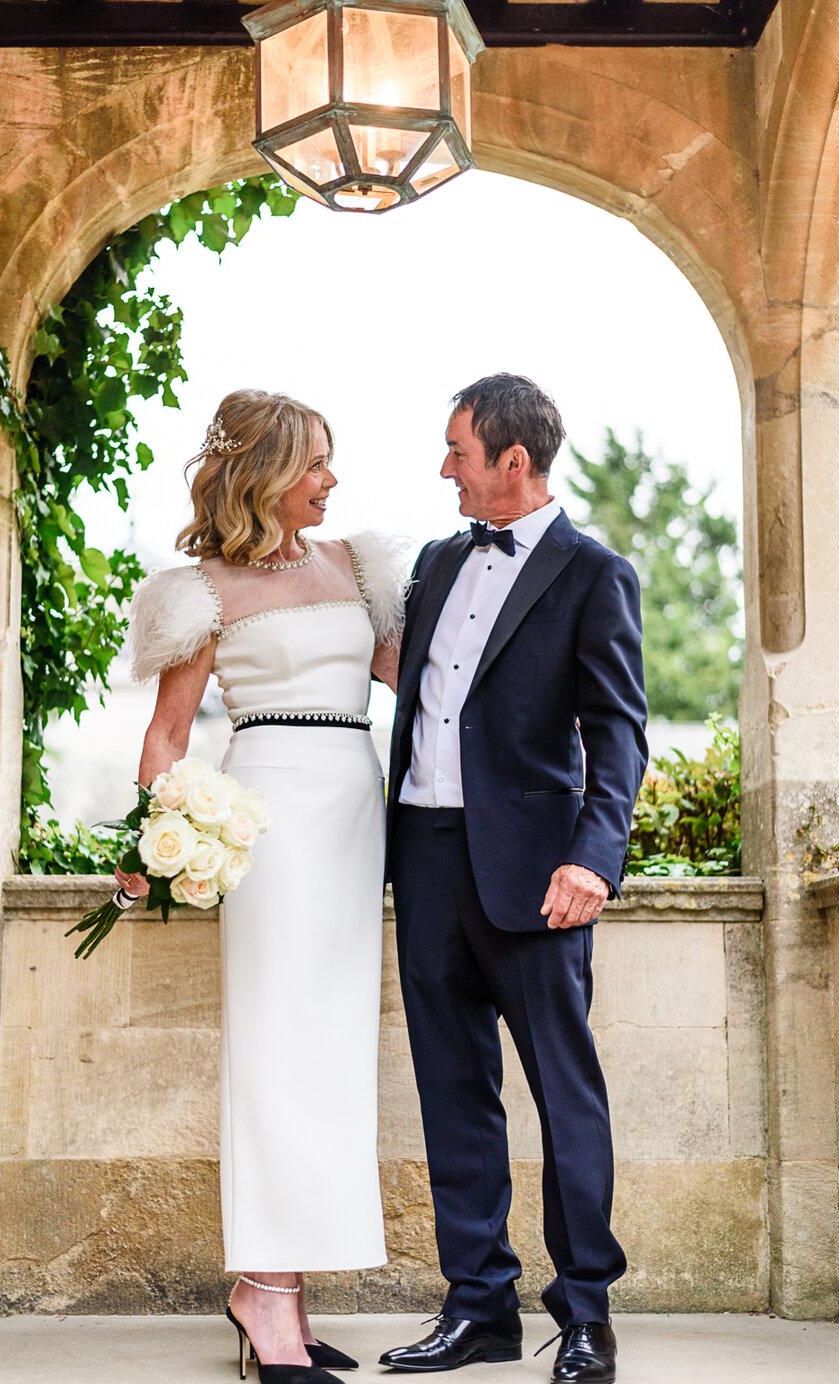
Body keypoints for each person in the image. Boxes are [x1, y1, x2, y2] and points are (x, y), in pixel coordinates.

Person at [117, 389, 406, 1384]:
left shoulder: (360, 567)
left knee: (331, 1051)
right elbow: (169, 732)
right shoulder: (200, 591)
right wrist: (146, 839)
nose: (332, 479)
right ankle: (266, 1297)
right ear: (269, 474)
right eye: (317, 463)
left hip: (354, 809)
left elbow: (418, 678)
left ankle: (281, 1292)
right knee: (276, 1047)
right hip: (268, 818)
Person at [380, 374, 648, 1384]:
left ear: (512, 462)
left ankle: (586, 1316)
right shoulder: (436, 561)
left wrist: (595, 856)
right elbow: (422, 690)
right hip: (426, 856)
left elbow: (617, 729)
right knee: (454, 1092)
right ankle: (478, 1307)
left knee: (564, 1093)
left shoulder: (593, 572)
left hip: (540, 874)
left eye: (457, 452)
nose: (444, 469)